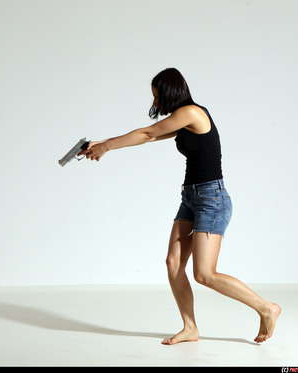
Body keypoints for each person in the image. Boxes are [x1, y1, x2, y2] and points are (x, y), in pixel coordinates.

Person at [79, 67, 281, 344]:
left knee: (204, 274)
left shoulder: (192, 113)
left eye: (156, 96)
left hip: (212, 200)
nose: (154, 103)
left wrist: (108, 147)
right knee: (173, 263)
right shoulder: (182, 121)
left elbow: (148, 133)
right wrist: (100, 143)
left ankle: (267, 307)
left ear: (170, 92)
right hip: (191, 198)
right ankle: (190, 328)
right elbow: (148, 136)